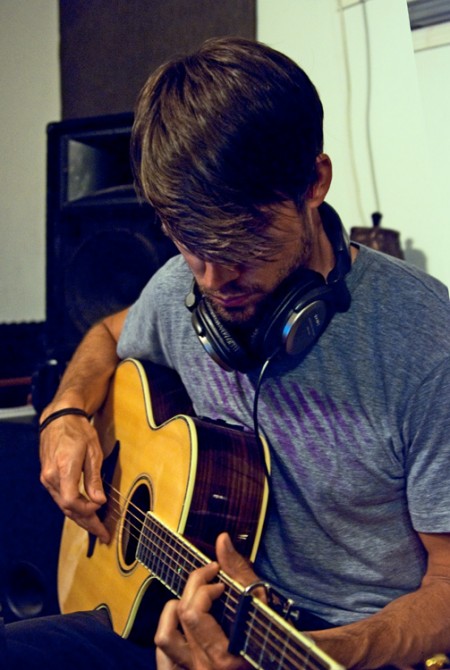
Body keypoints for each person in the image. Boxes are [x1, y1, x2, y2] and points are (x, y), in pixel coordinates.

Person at [3, 36, 450, 670]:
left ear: (315, 182)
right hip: (179, 611)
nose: (214, 279)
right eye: (190, 243)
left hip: (344, 647)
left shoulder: (425, 340)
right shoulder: (180, 291)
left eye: (243, 242)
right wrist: (66, 412)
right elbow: (105, 335)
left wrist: (328, 651)